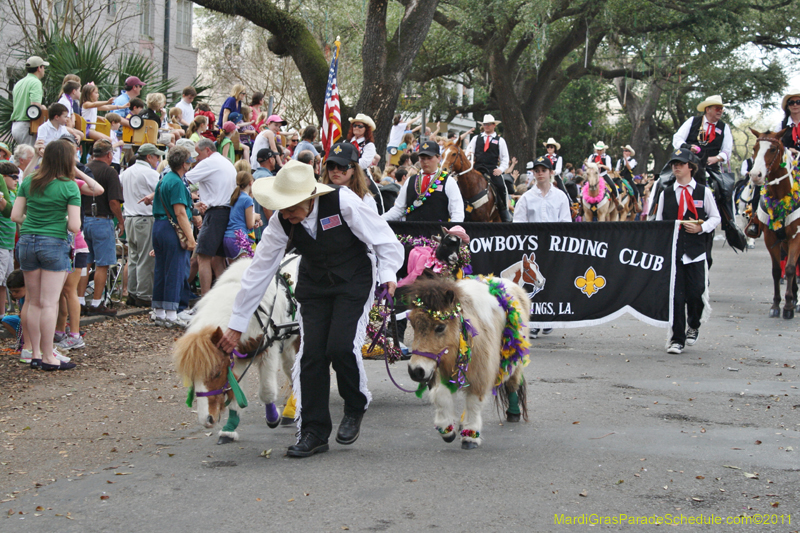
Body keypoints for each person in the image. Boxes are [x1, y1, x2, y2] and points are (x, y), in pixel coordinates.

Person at [217, 160, 404, 457]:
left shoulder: (342, 201)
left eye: (292, 207)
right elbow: (259, 271)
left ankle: (355, 405)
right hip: (314, 285)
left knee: (340, 346)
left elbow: (384, 239)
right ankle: (314, 432)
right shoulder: (281, 221)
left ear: (311, 197)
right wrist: (236, 323)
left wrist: (389, 275)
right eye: (282, 207)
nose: (287, 214)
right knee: (311, 354)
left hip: (353, 279)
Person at [11, 140, 82, 370]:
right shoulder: (69, 186)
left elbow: (15, 215)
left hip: (27, 241)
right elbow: (74, 225)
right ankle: (49, 356)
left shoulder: (30, 180)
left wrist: (33, 224)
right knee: (49, 303)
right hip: (54, 243)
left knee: (33, 302)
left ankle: (34, 352)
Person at [655, 147, 720, 355]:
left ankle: (694, 324)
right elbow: (659, 223)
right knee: (675, 297)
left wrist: (702, 228)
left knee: (695, 293)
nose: (676, 167)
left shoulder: (703, 192)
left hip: (696, 252)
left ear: (690, 167)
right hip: (674, 254)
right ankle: (677, 339)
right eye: (674, 163)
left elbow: (715, 217)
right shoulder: (666, 193)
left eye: (680, 164)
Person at [513, 155, 571, 339]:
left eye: (543, 170)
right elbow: (518, 223)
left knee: (551, 282)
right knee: (533, 286)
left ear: (551, 172)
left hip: (554, 247)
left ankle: (548, 321)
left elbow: (566, 223)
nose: (539, 174)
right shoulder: (527, 198)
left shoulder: (561, 196)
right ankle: (534, 322)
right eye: (536, 171)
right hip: (532, 249)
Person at [185, 138, 237, 295]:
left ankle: (205, 300)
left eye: (198, 153)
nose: (196, 158)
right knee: (217, 259)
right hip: (227, 212)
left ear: (207, 150)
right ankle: (221, 297)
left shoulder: (209, 162)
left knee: (203, 257)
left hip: (215, 213)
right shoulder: (226, 162)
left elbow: (183, 179)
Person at [152, 146, 196, 328]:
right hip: (172, 229)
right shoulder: (177, 182)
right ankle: (171, 313)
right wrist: (190, 237)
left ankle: (159, 310)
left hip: (159, 225)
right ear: (184, 164)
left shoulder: (164, 179)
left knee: (161, 269)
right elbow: (180, 213)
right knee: (175, 270)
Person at [83, 139, 124, 316]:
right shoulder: (109, 172)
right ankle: (96, 302)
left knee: (84, 263)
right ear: (109, 154)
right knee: (103, 264)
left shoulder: (84, 169)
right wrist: (120, 220)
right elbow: (114, 202)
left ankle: (78, 300)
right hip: (102, 219)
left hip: (84, 219)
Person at [121, 143, 162, 307]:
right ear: (149, 157)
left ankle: (132, 291)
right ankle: (144, 295)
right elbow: (160, 190)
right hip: (144, 217)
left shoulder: (126, 172)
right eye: (156, 156)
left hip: (129, 217)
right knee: (146, 258)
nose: (158, 159)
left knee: (133, 257)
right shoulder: (149, 173)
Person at [382, 141, 464, 222]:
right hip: (411, 232)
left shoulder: (449, 181)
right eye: (422, 158)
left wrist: (451, 232)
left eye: (429, 158)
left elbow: (457, 213)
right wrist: (379, 219)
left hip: (437, 233)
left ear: (438, 158)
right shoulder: (410, 180)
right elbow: (398, 209)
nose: (425, 161)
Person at [466, 114, 512, 221]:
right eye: (485, 124)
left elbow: (505, 158)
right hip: (477, 168)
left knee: (501, 186)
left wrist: (501, 169)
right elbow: (468, 151)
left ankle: (503, 210)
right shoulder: (476, 138)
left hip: (492, 169)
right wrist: (470, 157)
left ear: (494, 125)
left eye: (488, 124)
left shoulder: (500, 140)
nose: (486, 126)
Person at [672, 95, 732, 177]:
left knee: (724, 187)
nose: (720, 111)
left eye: (722, 109)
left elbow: (727, 151)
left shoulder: (724, 127)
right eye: (717, 108)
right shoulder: (693, 121)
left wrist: (716, 158)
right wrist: (688, 147)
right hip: (687, 164)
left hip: (710, 167)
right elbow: (677, 139)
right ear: (708, 109)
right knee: (664, 181)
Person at [320, 143, 378, 213]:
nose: (335, 170)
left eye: (342, 166)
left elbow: (373, 223)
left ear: (354, 169)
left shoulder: (365, 199)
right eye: (331, 166)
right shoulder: (319, 196)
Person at [11, 56, 48, 146]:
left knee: (22, 156)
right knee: (31, 157)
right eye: (43, 67)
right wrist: (43, 107)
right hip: (27, 126)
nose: (44, 70)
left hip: (16, 125)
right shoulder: (35, 82)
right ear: (39, 68)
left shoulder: (19, 82)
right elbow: (34, 106)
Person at [223, 171, 260, 259]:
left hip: (228, 237)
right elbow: (250, 224)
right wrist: (255, 216)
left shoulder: (235, 197)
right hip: (239, 238)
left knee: (233, 270)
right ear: (251, 182)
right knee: (243, 269)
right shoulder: (247, 199)